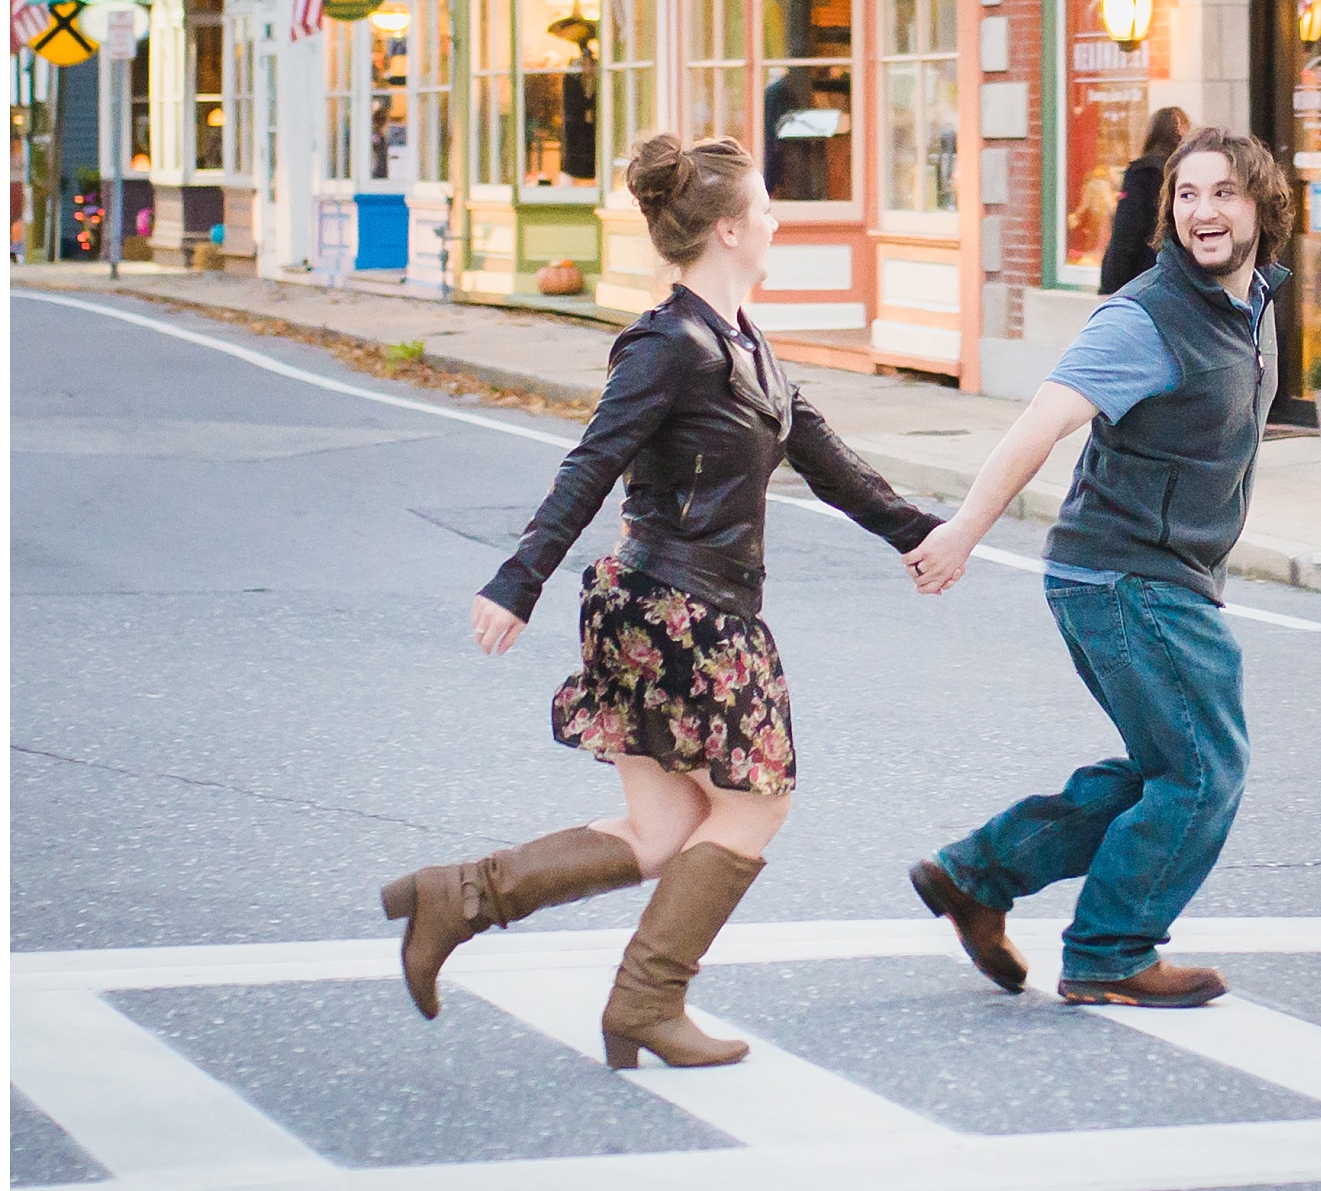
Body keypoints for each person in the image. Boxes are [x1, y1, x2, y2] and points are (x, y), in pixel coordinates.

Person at [380, 134, 938, 1069]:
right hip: (682, 607)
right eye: (764, 207)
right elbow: (592, 461)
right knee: (756, 805)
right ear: (727, 229)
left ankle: (461, 896)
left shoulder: (743, 342)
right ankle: (645, 1001)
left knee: (665, 829)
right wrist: (517, 578)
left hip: (678, 600)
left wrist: (916, 533)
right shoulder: (669, 343)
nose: (775, 219)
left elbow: (824, 455)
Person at [905, 125, 1289, 1009]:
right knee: (1202, 770)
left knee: (1164, 768)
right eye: (1186, 195)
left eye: (1222, 192)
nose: (1202, 212)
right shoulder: (1145, 318)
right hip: (1124, 578)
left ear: (1262, 204)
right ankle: (1111, 951)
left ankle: (977, 874)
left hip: (1162, 574)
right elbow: (1040, 423)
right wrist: (965, 529)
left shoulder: (1250, 299)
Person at [1098, 104, 1191, 293]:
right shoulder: (1186, 173)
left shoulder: (1143, 172)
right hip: (1180, 281)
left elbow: (1126, 233)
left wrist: (1110, 286)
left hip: (1144, 281)